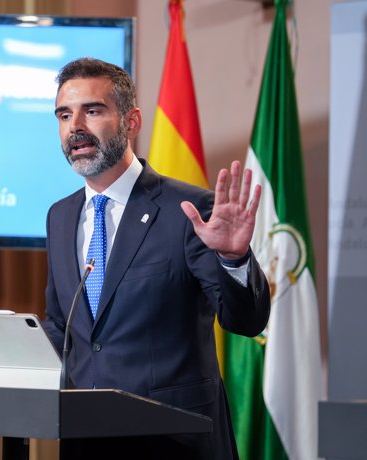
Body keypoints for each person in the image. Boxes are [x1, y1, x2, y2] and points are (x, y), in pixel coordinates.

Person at [42, 57, 271, 459]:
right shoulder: (60, 217)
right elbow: (64, 327)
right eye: (64, 114)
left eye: (92, 111)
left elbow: (246, 321)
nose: (75, 126)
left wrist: (234, 257)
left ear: (131, 122)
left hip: (173, 441)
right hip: (85, 441)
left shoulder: (189, 209)